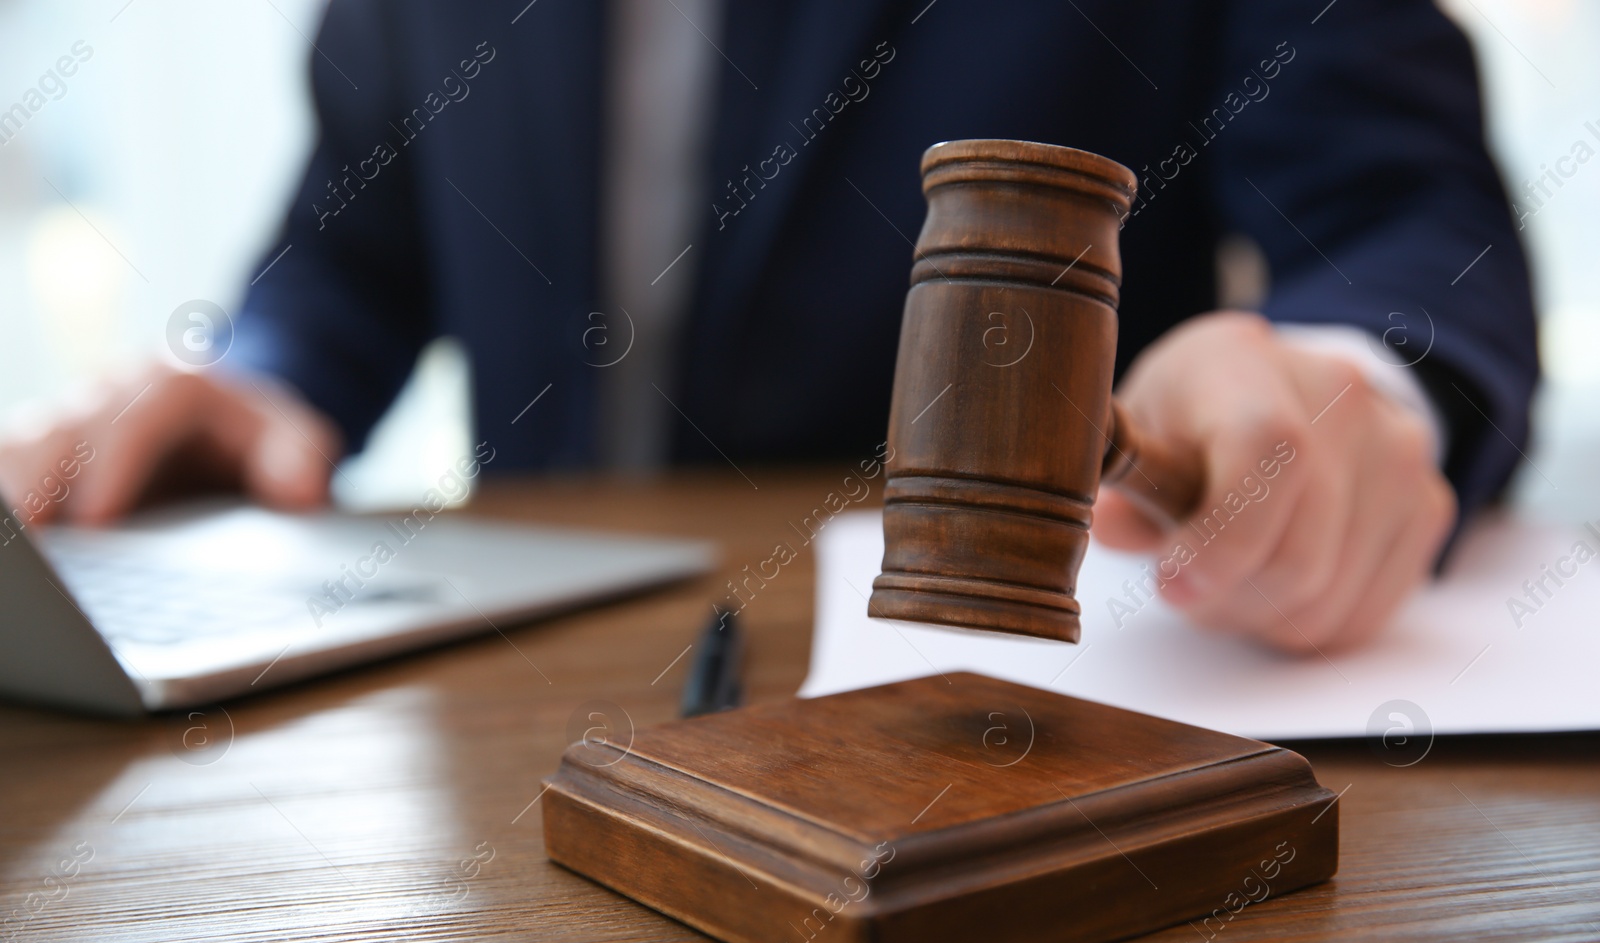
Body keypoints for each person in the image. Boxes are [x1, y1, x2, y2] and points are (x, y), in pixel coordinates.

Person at [0, 0, 1537, 655]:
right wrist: (256, 375)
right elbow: (352, 242)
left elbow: (1408, 211)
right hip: (510, 729)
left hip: (969, 725)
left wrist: (1346, 384)